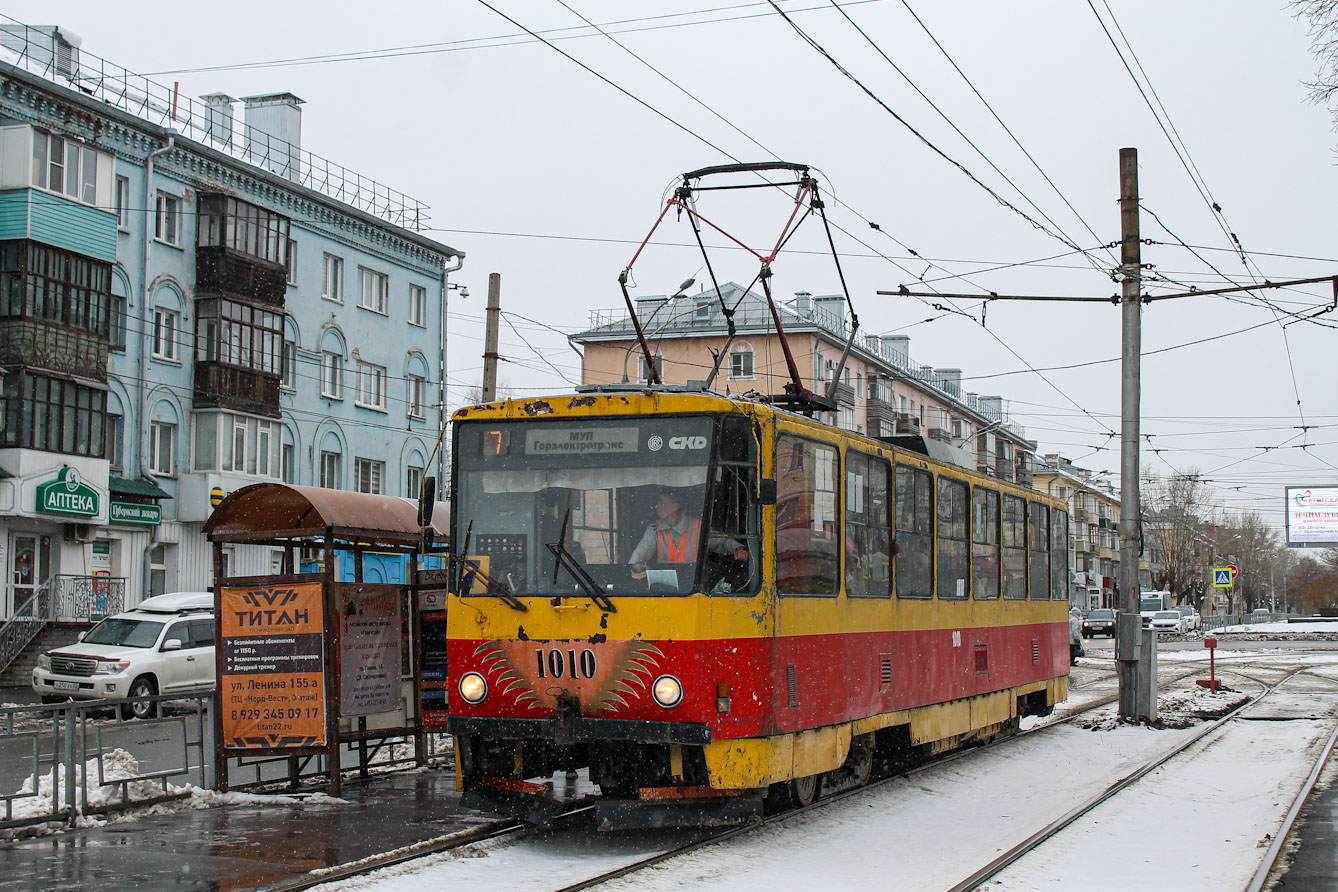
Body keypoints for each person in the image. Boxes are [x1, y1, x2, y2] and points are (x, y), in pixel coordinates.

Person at [629, 488, 747, 567]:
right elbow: (640, 554)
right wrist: (630, 570)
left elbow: (721, 542)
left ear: (676, 506)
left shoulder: (698, 527)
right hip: (663, 591)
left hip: (693, 591)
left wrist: (738, 549)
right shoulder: (654, 529)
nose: (656, 506)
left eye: (661, 503)